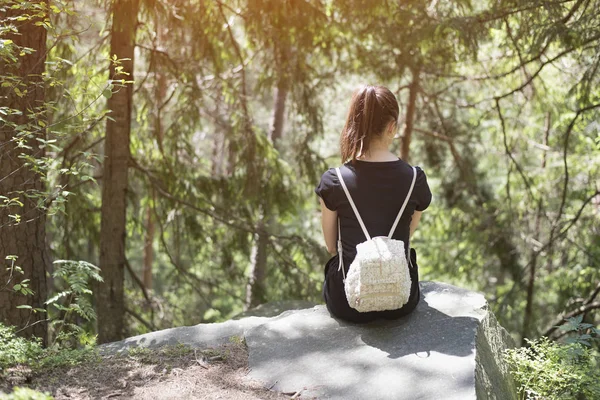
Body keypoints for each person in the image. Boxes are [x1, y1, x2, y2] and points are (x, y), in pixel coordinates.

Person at [314, 85, 432, 323]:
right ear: (391, 127)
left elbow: (331, 246)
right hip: (401, 300)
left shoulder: (335, 180)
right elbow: (405, 238)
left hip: (348, 302)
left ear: (354, 125)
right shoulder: (414, 179)